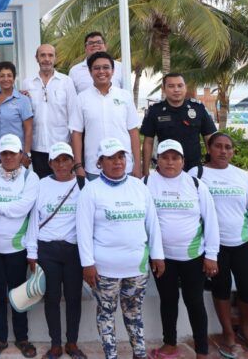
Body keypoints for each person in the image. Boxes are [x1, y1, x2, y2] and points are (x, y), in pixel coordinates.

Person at [76, 138, 164, 359]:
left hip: (137, 268)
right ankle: (111, 355)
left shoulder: (139, 187)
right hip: (104, 270)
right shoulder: (91, 190)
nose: (117, 162)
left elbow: (152, 224)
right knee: (106, 314)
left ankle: (139, 353)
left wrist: (158, 255)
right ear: (100, 163)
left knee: (134, 313)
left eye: (121, 157)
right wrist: (87, 264)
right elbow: (83, 230)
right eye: (111, 158)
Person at [145, 139, 219, 359]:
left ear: (183, 161)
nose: (170, 162)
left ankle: (202, 351)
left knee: (194, 301)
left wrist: (212, 255)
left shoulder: (195, 184)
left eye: (175, 158)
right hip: (161, 258)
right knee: (168, 301)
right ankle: (169, 343)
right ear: (157, 160)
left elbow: (211, 221)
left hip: (193, 256)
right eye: (165, 157)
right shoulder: (146, 182)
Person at [201, 132, 248, 358]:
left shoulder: (241, 175)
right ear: (209, 148)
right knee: (221, 289)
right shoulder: (197, 174)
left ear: (233, 151)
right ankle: (228, 334)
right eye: (218, 146)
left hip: (242, 242)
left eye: (228, 147)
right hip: (214, 246)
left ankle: (246, 329)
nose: (223, 151)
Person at [24, 142, 86, 359]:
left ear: (72, 162)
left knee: (73, 298)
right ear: (50, 163)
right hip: (47, 249)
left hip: (73, 251)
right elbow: (33, 219)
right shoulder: (41, 185)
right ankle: (56, 344)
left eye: (65, 159)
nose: (61, 164)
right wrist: (32, 252)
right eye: (56, 160)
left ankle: (72, 343)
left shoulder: (82, 185)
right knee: (51, 298)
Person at [0, 134, 40, 359]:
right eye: (4, 153)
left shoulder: (30, 178)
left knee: (19, 295)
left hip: (17, 248)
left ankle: (22, 338)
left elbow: (23, 208)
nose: (8, 157)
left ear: (21, 155)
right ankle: (0, 338)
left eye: (12, 153)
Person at [70, 51, 141, 179]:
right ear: (90, 72)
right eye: (96, 68)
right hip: (94, 168)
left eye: (106, 67)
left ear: (113, 71)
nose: (101, 71)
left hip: (124, 166)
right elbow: (76, 133)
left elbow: (133, 131)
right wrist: (78, 165)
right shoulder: (82, 98)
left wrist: (137, 164)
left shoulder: (125, 96)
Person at [140, 73, 217, 176]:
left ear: (185, 88)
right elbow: (148, 142)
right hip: (166, 170)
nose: (176, 90)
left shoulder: (198, 109)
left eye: (180, 85)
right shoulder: (155, 111)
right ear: (163, 89)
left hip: (194, 169)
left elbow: (210, 138)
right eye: (171, 86)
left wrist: (212, 166)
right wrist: (145, 172)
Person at [22, 44, 78, 179]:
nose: (46, 59)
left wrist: (75, 151)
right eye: (42, 55)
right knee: (41, 187)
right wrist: (26, 151)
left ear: (55, 58)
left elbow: (74, 117)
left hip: (62, 146)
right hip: (37, 148)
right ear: (36, 58)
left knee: (62, 187)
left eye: (50, 55)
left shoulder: (66, 82)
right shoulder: (27, 83)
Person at [0, 61, 33, 168]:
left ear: (14, 78)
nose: (6, 79)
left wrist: (26, 153)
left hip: (16, 155)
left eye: (9, 75)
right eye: (2, 76)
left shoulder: (23, 100)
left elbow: (29, 129)